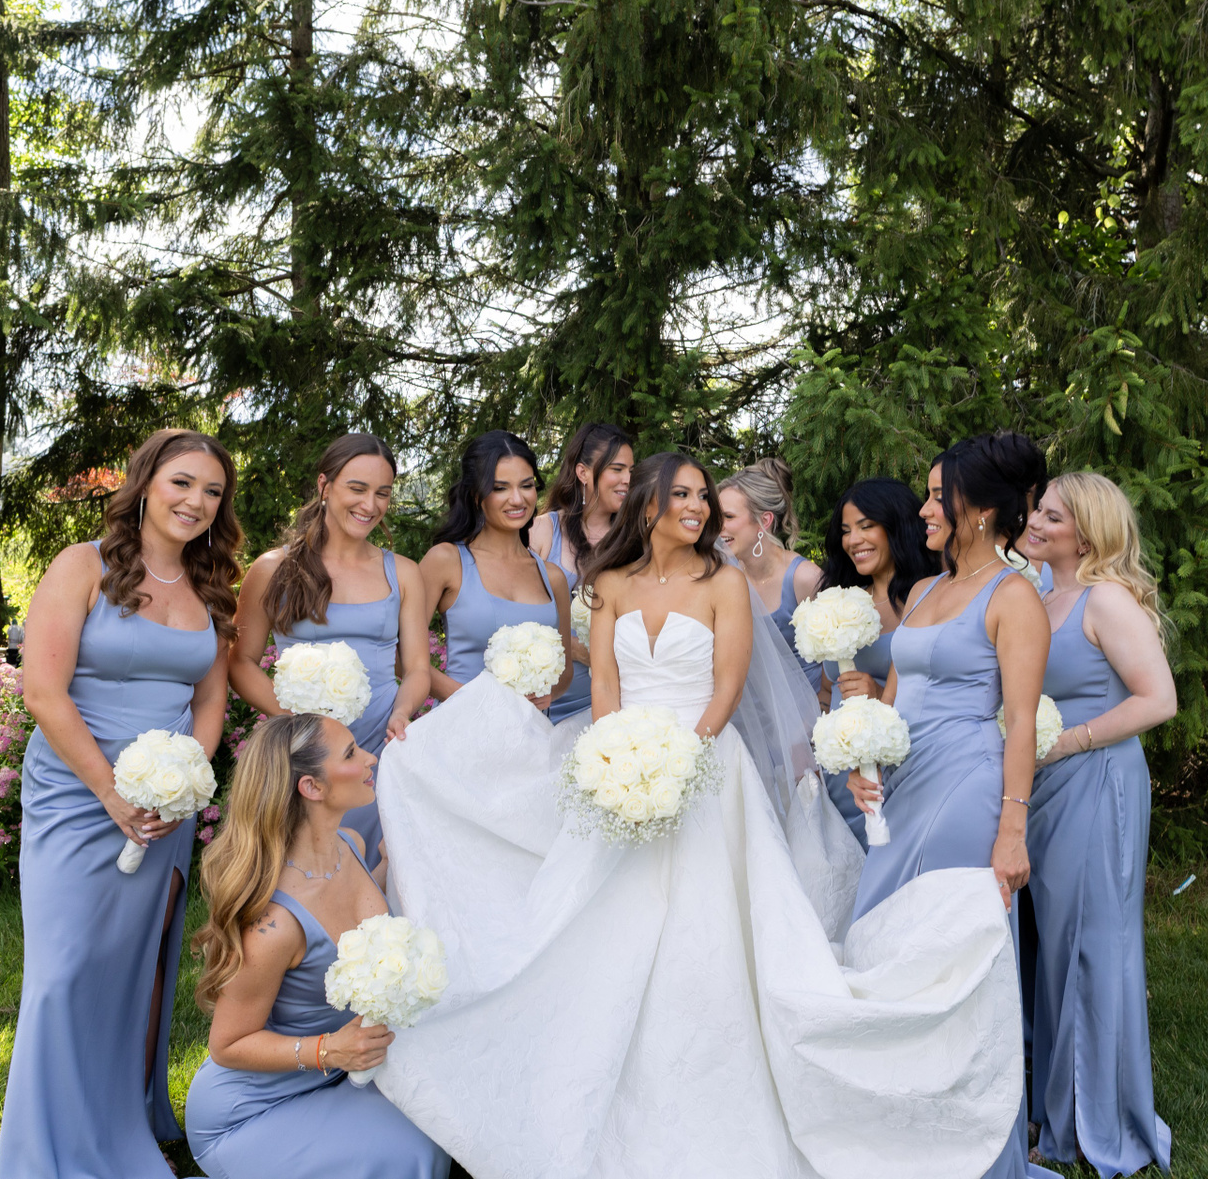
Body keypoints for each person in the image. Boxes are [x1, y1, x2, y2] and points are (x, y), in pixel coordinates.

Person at [373, 453, 1025, 1179]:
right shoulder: (609, 583)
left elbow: (728, 682)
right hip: (624, 771)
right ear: (648, 505)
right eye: (680, 494)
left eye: (701, 496)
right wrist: (616, 759)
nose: (696, 506)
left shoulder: (724, 582)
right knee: (601, 929)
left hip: (709, 771)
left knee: (705, 934)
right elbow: (605, 685)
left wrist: (684, 756)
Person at [0, 429, 239, 1179]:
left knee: (135, 967)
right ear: (144, 484)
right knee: (66, 967)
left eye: (212, 492)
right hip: (76, 793)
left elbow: (211, 701)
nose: (195, 501)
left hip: (162, 806)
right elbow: (43, 691)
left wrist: (184, 778)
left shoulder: (210, 587)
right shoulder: (83, 565)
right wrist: (111, 791)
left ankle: (120, 1119)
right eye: (182, 482)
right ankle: (46, 1146)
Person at [848, 431, 1059, 1179]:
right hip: (903, 786)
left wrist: (1012, 831)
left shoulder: (1014, 596)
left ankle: (969, 1149)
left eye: (940, 496)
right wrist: (863, 761)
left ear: (981, 510)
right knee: (882, 945)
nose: (925, 509)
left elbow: (1021, 722)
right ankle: (899, 1139)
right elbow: (895, 696)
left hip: (966, 787)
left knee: (949, 958)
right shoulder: (926, 592)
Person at [184, 712, 451, 1179]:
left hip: (337, 1076)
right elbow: (227, 1045)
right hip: (253, 1109)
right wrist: (330, 1050)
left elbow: (355, 925)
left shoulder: (349, 843)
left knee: (439, 1111)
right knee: (410, 1151)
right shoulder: (274, 926)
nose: (370, 758)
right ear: (312, 787)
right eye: (351, 753)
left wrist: (388, 866)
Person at [1020, 472, 1177, 1175]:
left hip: (1098, 780)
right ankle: (1054, 1109)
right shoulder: (1039, 592)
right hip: (1048, 788)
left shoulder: (1105, 598)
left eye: (1053, 516)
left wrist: (1070, 742)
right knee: (1053, 949)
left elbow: (1159, 698)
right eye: (1039, 509)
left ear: (1087, 535)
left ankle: (1094, 1125)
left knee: (1091, 948)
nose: (1036, 520)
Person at [231, 435, 431, 867]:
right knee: (304, 871)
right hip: (304, 752)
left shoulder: (404, 573)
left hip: (379, 748)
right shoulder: (272, 569)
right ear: (325, 486)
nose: (370, 505)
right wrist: (293, 720)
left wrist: (402, 712)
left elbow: (418, 667)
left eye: (382, 493)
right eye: (357, 488)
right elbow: (241, 662)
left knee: (382, 872)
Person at [818, 477, 936, 845]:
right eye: (846, 531)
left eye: (866, 526)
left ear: (897, 526)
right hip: (841, 779)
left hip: (901, 773)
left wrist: (879, 692)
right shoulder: (838, 600)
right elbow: (826, 691)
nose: (853, 540)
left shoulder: (929, 598)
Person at [418, 431, 573, 711]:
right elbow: (403, 657)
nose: (517, 499)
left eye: (526, 485)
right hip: (462, 724)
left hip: (531, 731)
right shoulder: (445, 561)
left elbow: (564, 673)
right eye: (500, 488)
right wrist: (477, 701)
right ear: (476, 494)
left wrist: (548, 693)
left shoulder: (553, 577)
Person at [530, 423, 634, 723]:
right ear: (583, 473)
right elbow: (516, 612)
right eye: (617, 469)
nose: (628, 480)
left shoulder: (635, 541)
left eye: (631, 470)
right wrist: (572, 647)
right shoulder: (543, 530)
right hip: (545, 703)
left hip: (613, 704)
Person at [719, 458, 824, 690]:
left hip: (806, 706)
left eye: (728, 517)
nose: (718, 527)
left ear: (764, 521)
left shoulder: (805, 578)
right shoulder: (726, 578)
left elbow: (834, 661)